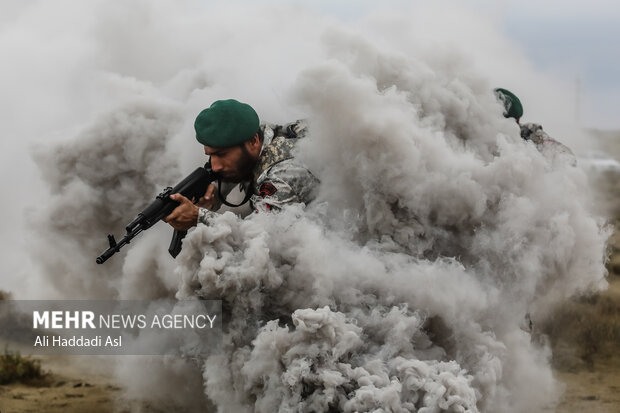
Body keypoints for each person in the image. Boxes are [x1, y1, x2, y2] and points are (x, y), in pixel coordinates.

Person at [163, 99, 319, 231]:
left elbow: (261, 234)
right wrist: (215, 192)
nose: (215, 166)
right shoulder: (261, 134)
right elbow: (242, 163)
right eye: (211, 155)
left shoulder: (285, 173)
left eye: (221, 154)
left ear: (253, 141)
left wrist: (200, 217)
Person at [494, 88, 577, 166]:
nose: (517, 124)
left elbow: (563, 154)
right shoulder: (486, 137)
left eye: (517, 120)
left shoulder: (527, 131)